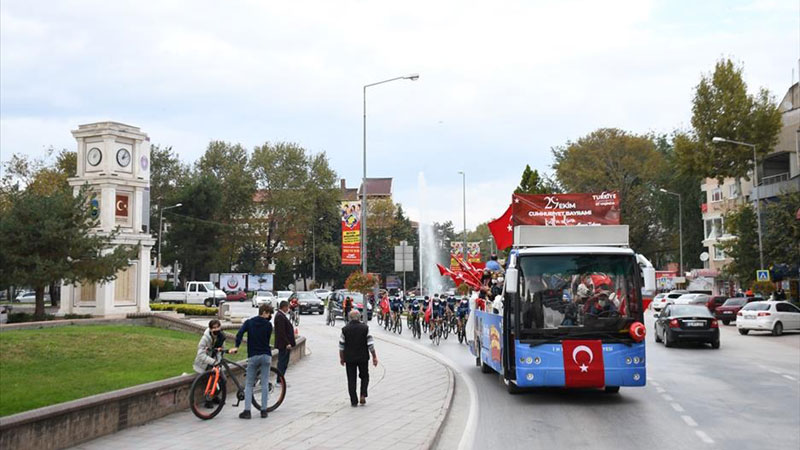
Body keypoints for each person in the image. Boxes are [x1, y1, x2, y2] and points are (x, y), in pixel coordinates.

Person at [231, 304, 274, 419]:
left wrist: (236, 346)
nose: (270, 316)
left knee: (249, 384)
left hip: (253, 355)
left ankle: (247, 411)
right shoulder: (269, 325)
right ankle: (263, 410)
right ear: (264, 312)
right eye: (269, 313)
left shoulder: (249, 323)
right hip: (266, 355)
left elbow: (239, 334)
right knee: (264, 383)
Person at [339, 310, 378, 406]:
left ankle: (353, 400)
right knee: (365, 376)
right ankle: (363, 394)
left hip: (349, 358)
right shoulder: (365, 328)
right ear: (359, 317)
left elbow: (341, 346)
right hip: (363, 357)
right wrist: (374, 356)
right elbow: (370, 344)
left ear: (349, 318)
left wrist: (341, 358)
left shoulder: (345, 329)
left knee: (351, 379)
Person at [274, 300, 296, 380]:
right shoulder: (280, 316)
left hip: (284, 344)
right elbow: (281, 332)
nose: (288, 309)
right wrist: (287, 343)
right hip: (283, 345)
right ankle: (279, 380)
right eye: (287, 307)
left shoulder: (281, 315)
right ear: (284, 307)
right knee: (282, 363)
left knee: (284, 363)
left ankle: (281, 379)